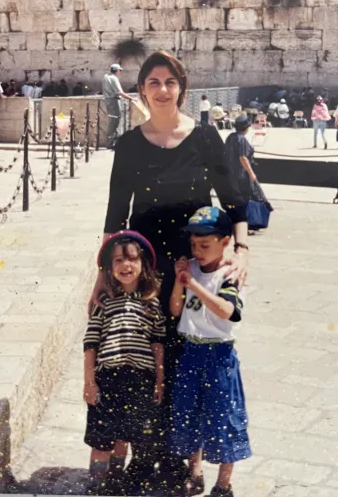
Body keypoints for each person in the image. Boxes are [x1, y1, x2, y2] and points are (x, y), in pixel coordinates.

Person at [100, 51, 249, 494]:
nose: (162, 90)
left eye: (169, 82)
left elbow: (233, 196)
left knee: (187, 359)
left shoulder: (205, 138)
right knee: (147, 356)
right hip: (145, 265)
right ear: (141, 89)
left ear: (181, 87)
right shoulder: (128, 144)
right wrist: (100, 273)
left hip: (193, 264)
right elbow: (115, 213)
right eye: (153, 82)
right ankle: (150, 455)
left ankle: (189, 455)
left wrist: (241, 249)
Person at [169, 207, 251, 497]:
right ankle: (195, 471)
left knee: (223, 416)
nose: (198, 251)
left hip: (218, 355)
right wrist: (181, 281)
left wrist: (193, 285)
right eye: (193, 245)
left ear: (225, 242)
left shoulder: (229, 274)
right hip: (191, 350)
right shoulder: (190, 268)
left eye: (205, 245)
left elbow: (228, 310)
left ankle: (223, 483)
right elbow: (176, 310)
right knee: (190, 414)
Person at [83, 231, 165, 496]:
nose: (125, 266)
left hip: (140, 379)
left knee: (126, 434)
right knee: (102, 437)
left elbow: (158, 345)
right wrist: (89, 382)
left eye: (131, 259)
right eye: (118, 261)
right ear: (110, 268)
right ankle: (96, 485)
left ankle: (116, 481)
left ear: (143, 265)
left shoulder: (152, 304)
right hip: (108, 377)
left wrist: (159, 382)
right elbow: (91, 344)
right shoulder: (103, 302)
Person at [225, 115, 271, 234]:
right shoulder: (241, 139)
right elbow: (243, 158)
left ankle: (235, 223)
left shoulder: (231, 137)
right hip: (241, 175)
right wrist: (251, 173)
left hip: (231, 174)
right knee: (245, 200)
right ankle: (244, 225)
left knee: (236, 200)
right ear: (247, 127)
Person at [103, 64, 133, 148]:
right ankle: (110, 143)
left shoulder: (106, 76)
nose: (120, 72)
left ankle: (112, 142)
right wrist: (131, 98)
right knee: (114, 121)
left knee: (113, 121)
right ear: (117, 70)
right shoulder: (113, 78)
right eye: (120, 70)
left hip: (108, 100)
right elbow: (119, 92)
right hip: (113, 101)